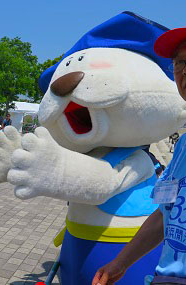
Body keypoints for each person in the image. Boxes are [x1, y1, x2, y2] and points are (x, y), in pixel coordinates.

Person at [93, 27, 186, 285]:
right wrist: (119, 264)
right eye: (180, 62)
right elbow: (164, 214)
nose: (185, 70)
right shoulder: (182, 146)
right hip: (167, 277)